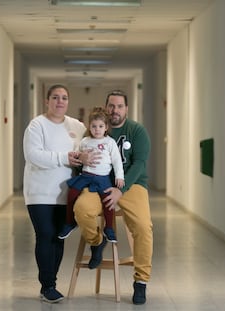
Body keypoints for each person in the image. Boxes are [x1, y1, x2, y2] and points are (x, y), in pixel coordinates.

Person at [73, 90, 153, 305]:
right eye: (111, 106)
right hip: (97, 182)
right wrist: (81, 158)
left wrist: (121, 189)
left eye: (119, 106)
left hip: (132, 184)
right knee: (82, 210)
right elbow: (80, 158)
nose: (114, 110)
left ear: (126, 109)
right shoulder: (92, 132)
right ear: (105, 106)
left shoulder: (136, 131)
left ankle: (141, 281)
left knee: (143, 227)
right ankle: (97, 242)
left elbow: (139, 164)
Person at [23, 84, 87, 303]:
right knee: (45, 235)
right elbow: (33, 155)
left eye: (64, 98)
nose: (60, 101)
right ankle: (47, 285)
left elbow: (89, 147)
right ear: (47, 101)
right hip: (40, 193)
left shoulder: (77, 126)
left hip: (66, 194)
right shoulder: (36, 126)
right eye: (55, 97)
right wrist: (64, 157)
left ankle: (51, 283)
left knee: (59, 238)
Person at [58, 106, 125, 243]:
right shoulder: (85, 141)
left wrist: (120, 176)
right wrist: (79, 154)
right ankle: (70, 222)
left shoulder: (109, 142)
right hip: (85, 176)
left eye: (100, 126)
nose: (97, 129)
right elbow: (77, 153)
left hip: (103, 178)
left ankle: (109, 228)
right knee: (71, 194)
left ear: (106, 127)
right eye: (94, 126)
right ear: (89, 126)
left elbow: (117, 161)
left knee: (108, 201)